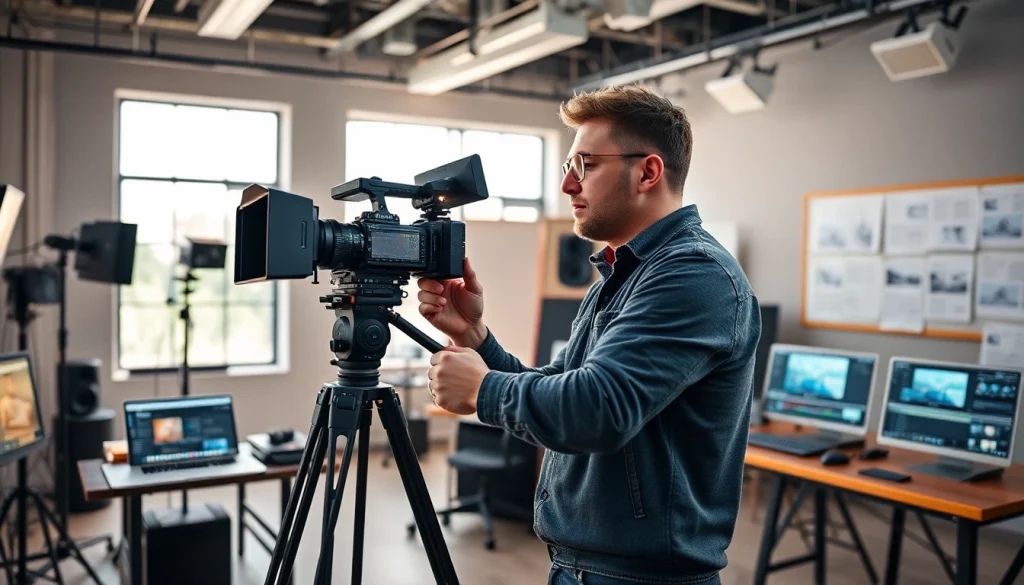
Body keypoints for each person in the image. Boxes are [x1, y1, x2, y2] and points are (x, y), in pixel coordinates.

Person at [419, 85, 761, 585]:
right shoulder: (625, 276)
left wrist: (482, 389)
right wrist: (477, 337)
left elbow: (596, 410)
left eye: (585, 166)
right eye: (567, 168)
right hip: (582, 568)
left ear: (647, 172)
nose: (567, 186)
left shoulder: (694, 275)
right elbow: (563, 385)